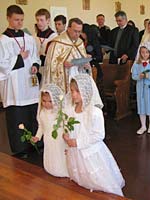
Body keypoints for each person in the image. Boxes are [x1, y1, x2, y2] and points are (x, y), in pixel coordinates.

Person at [63, 74, 125, 196]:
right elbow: (69, 126)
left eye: (77, 91)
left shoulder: (95, 112)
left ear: (86, 91)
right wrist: (66, 134)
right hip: (76, 151)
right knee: (81, 178)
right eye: (72, 91)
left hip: (90, 151)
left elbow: (99, 135)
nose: (73, 94)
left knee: (100, 180)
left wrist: (77, 142)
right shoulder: (71, 109)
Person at [0, 5, 40, 154]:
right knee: (18, 116)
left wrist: (35, 64)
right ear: (8, 18)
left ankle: (36, 143)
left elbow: (35, 56)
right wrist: (19, 58)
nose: (19, 23)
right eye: (16, 20)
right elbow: (1, 64)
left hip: (30, 83)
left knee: (32, 114)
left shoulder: (28, 38)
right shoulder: (3, 41)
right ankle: (20, 148)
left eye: (21, 20)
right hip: (14, 87)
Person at [43, 18, 90, 93]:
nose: (77, 34)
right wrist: (63, 64)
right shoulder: (57, 43)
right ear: (68, 28)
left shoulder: (80, 42)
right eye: (75, 31)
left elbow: (84, 61)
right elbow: (51, 66)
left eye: (79, 31)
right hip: (65, 80)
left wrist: (85, 63)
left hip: (78, 78)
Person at [32, 84, 69, 177]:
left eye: (50, 101)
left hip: (59, 138)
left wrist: (67, 135)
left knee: (59, 153)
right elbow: (41, 126)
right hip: (48, 138)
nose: (46, 104)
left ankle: (62, 169)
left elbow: (66, 125)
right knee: (51, 153)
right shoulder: (41, 112)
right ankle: (51, 168)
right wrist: (37, 136)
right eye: (44, 101)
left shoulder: (60, 112)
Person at [132, 42, 150, 135]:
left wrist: (149, 76)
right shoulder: (137, 64)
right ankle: (143, 125)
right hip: (140, 88)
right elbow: (133, 76)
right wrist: (138, 77)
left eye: (147, 52)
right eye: (142, 52)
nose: (144, 54)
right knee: (142, 105)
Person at [34, 8, 57, 81]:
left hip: (47, 68)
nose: (39, 22)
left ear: (48, 21)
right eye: (37, 20)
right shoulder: (34, 36)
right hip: (36, 67)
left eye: (41, 20)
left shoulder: (54, 37)